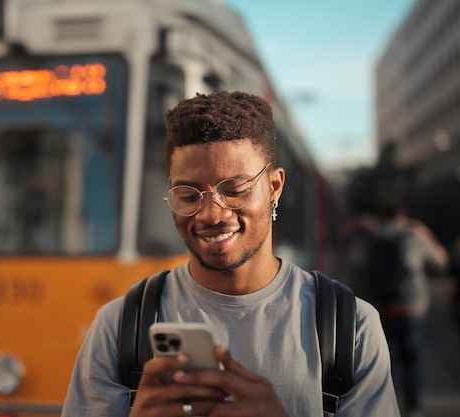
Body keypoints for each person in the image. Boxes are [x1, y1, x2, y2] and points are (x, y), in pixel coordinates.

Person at [61, 91, 400, 416]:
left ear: (274, 188)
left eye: (235, 190)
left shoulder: (349, 326)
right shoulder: (119, 326)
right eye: (189, 194)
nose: (211, 214)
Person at [365, 196, 448, 416]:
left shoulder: (376, 239)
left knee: (384, 364)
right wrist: (423, 231)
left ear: (382, 216)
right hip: (411, 309)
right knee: (411, 362)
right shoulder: (413, 238)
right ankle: (413, 409)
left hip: (383, 309)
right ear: (403, 216)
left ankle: (381, 407)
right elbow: (440, 261)